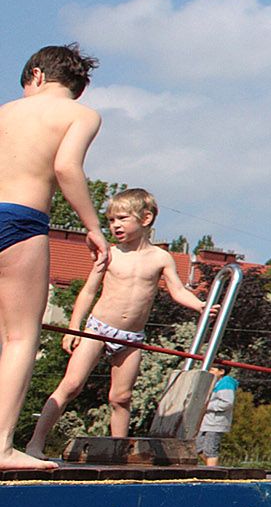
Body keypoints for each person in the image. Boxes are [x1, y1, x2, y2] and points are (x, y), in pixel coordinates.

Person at [28, 188, 204, 456]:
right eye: (111, 220)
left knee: (121, 397)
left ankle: (117, 452)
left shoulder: (160, 258)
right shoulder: (110, 253)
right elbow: (88, 291)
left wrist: (200, 306)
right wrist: (74, 327)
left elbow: (178, 290)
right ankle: (35, 443)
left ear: (145, 219)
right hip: (99, 329)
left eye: (121, 218)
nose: (115, 225)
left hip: (130, 337)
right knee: (71, 385)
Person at [0, 44, 107, 472]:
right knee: (20, 338)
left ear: (37, 76)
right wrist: (93, 226)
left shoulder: (5, 111)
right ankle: (2, 446)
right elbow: (66, 167)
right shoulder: (81, 115)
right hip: (21, 219)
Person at [198, 371, 239, 466]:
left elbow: (227, 403)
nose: (210, 371)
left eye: (212, 369)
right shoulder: (213, 382)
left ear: (221, 371)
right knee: (198, 448)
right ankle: (213, 468)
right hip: (206, 421)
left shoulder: (226, 382)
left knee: (210, 449)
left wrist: (207, 406)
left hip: (216, 422)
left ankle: (212, 474)